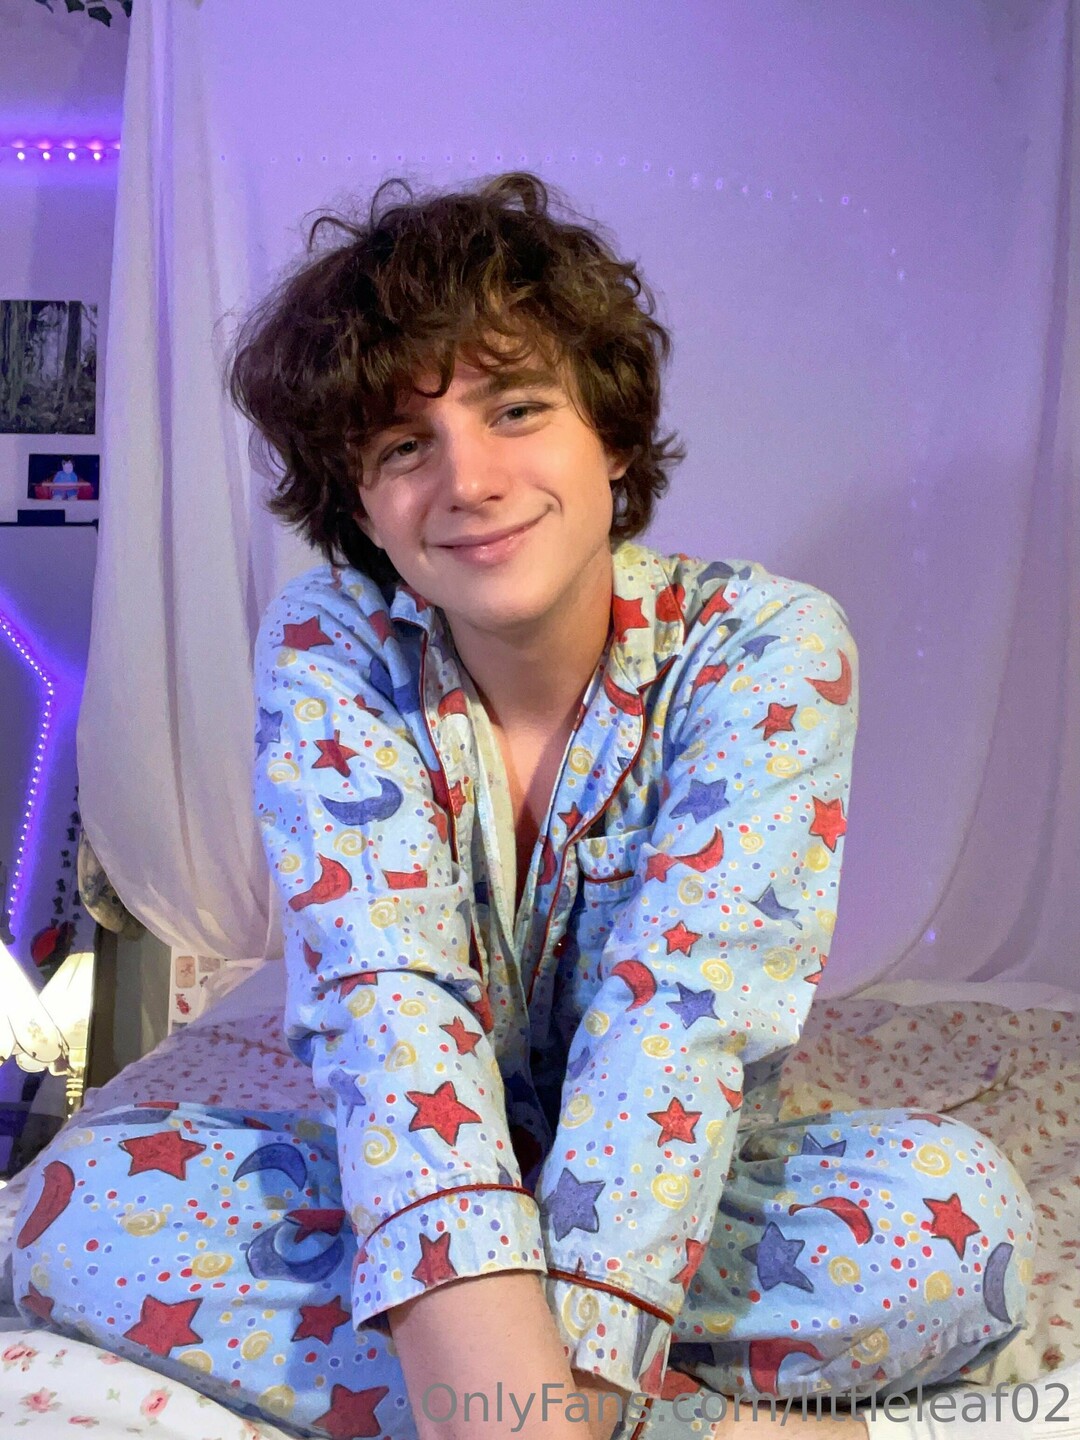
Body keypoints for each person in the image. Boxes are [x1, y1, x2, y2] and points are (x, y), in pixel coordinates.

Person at [11, 173, 1036, 1440]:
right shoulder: (333, 644)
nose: (469, 479)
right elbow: (392, 1021)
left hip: (680, 1197)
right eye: (403, 446)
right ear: (360, 505)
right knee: (70, 1204)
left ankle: (499, 1369)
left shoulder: (765, 644)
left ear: (611, 434)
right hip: (412, 1186)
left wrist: (542, 1388)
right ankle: (702, 1425)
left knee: (960, 1226)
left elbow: (680, 1028)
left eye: (515, 408)